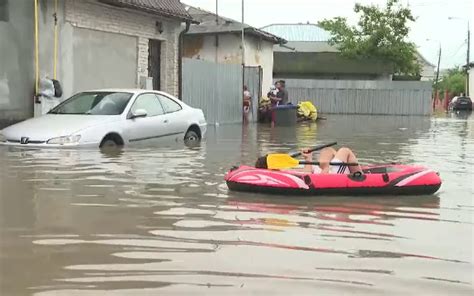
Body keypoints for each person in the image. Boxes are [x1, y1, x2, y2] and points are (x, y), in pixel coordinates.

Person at [255, 146, 363, 174]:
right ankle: (361, 177)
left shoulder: (283, 171)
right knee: (345, 150)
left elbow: (306, 172)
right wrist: (325, 167)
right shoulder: (283, 175)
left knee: (327, 150)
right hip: (329, 175)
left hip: (324, 170)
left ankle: (343, 164)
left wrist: (308, 158)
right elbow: (309, 176)